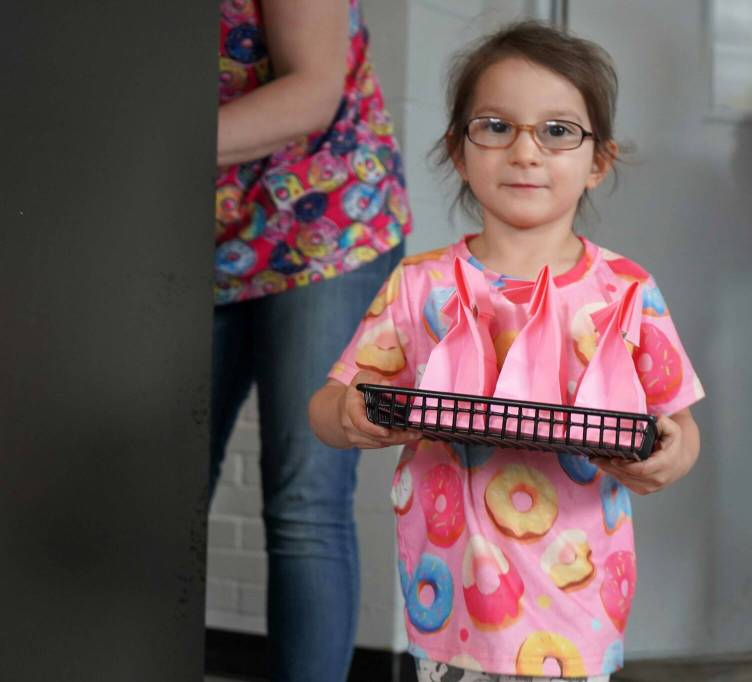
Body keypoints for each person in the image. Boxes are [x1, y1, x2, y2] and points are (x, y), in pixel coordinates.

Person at [308, 21, 703, 682]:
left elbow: (679, 424)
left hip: (580, 606)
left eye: (557, 131)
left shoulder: (627, 291)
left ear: (598, 161)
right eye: (495, 126)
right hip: (452, 602)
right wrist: (348, 415)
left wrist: (669, 458)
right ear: (459, 152)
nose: (526, 152)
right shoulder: (423, 285)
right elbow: (326, 407)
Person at [213, 0, 411, 679]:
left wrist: (146, 141)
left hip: (323, 221)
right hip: (196, 229)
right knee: (158, 493)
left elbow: (311, 91)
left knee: (304, 502)